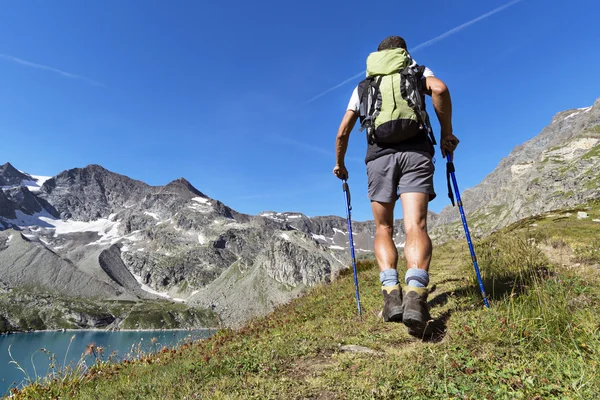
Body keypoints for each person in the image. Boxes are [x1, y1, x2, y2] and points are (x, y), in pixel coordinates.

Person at [333, 36, 459, 336]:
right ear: (403, 52)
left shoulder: (364, 86)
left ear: (377, 57)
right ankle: (415, 294)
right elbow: (439, 89)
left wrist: (340, 163)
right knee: (416, 225)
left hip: (378, 158)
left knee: (384, 228)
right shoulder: (416, 71)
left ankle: (391, 294)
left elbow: (343, 132)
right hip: (416, 151)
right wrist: (446, 134)